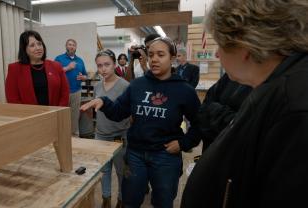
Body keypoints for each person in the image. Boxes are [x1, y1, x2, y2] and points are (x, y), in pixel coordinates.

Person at [181, 0, 308, 207]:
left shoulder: (295, 106)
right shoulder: (277, 86)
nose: (217, 53)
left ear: (245, 44)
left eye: (220, 44)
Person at [81, 37, 201, 208]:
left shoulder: (184, 90)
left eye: (161, 54)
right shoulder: (137, 85)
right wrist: (104, 102)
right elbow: (118, 112)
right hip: (136, 154)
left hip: (165, 155)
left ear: (172, 58)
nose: (154, 59)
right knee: (131, 200)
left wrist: (183, 143)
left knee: (163, 201)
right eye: (151, 54)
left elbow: (199, 124)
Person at [94, 49, 130, 208]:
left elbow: (130, 113)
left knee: (121, 171)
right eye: (99, 65)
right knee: (104, 171)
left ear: (114, 64)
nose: (103, 69)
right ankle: (106, 199)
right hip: (100, 135)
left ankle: (121, 200)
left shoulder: (125, 86)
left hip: (119, 136)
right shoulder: (96, 86)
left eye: (107, 64)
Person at [5, 30, 69, 107]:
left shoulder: (56, 66)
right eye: (32, 45)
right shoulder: (14, 69)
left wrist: (58, 111)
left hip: (55, 115)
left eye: (39, 44)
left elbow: (65, 93)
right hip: (29, 116)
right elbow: (12, 98)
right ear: (24, 49)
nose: (38, 48)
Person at [197, 73, 252, 152]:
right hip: (211, 147)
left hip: (235, 152)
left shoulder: (265, 84)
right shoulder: (230, 75)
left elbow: (245, 126)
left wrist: (215, 110)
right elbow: (204, 107)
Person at [55, 39, 88, 136]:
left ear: (76, 47)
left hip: (76, 92)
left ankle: (74, 136)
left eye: (73, 45)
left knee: (74, 115)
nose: (71, 46)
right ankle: (62, 136)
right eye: (69, 44)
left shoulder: (80, 60)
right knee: (62, 115)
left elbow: (85, 75)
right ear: (66, 46)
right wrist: (67, 68)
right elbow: (54, 73)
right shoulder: (59, 59)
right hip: (62, 92)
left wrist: (83, 78)